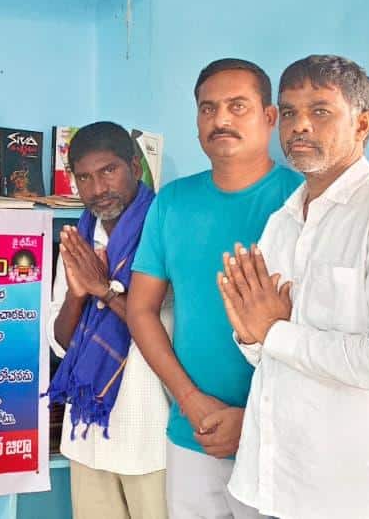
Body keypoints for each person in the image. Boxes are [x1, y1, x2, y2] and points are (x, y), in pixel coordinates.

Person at [219, 56, 369, 519]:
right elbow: (269, 353)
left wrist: (274, 332)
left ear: (362, 124)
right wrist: (250, 334)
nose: (300, 125)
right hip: (281, 486)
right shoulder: (282, 222)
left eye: (320, 111)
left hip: (364, 497)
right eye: (289, 112)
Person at [127, 59, 303, 519]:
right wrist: (190, 401)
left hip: (281, 440)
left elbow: (323, 333)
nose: (220, 119)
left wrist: (257, 421)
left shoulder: (303, 201)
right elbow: (140, 310)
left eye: (237, 106)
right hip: (194, 434)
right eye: (208, 108)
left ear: (269, 117)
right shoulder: (173, 202)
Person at [47, 122, 167, 519]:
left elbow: (161, 330)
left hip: (150, 433)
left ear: (134, 166)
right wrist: (76, 294)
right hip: (88, 434)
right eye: (84, 177)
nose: (98, 188)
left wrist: (104, 290)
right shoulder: (78, 239)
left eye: (108, 171)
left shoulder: (164, 228)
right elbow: (60, 343)